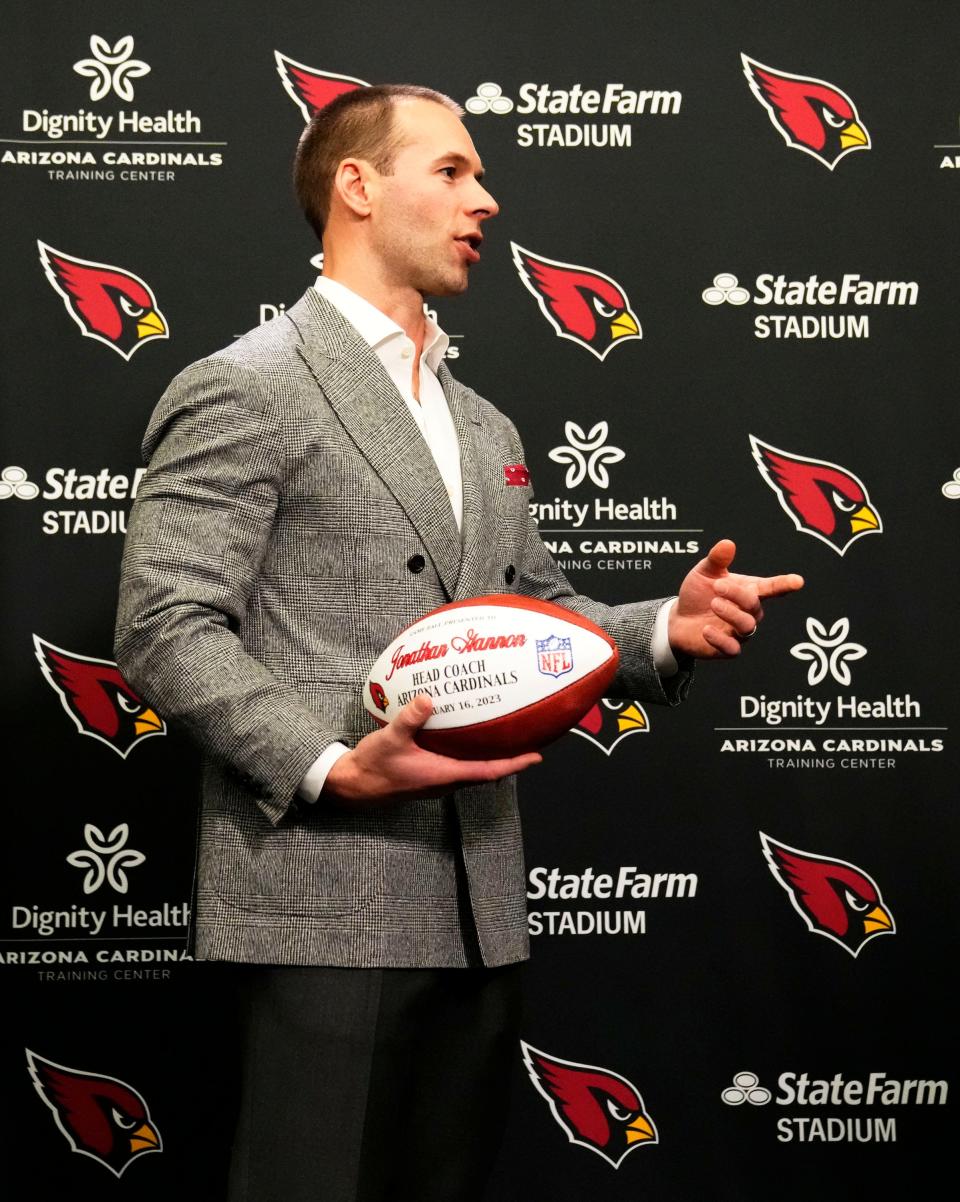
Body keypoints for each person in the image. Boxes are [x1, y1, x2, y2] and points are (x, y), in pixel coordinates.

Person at [114, 84, 802, 1202]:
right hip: (325, 904)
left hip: (480, 904)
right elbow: (164, 624)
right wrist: (332, 762)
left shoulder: (485, 424)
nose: (486, 199)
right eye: (452, 171)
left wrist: (659, 630)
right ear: (357, 187)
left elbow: (533, 614)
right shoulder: (244, 386)